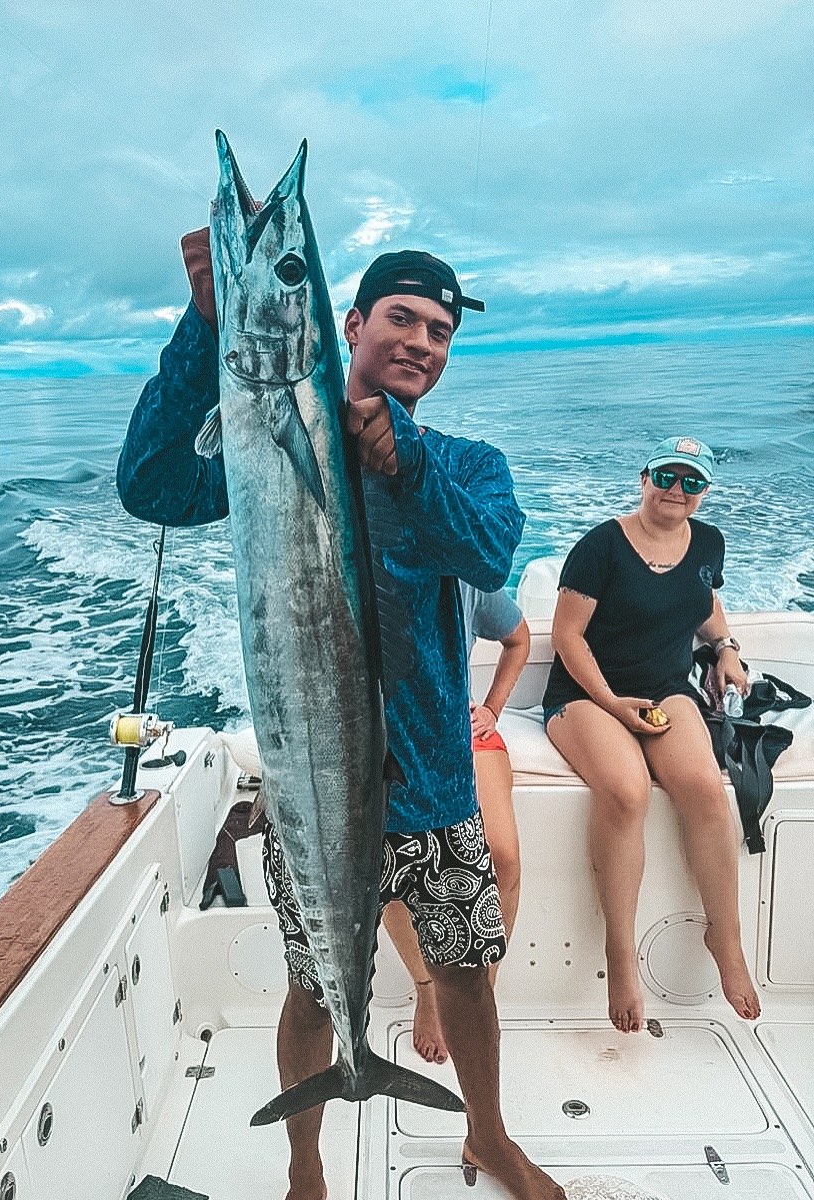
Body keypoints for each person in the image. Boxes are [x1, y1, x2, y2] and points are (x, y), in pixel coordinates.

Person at [118, 234, 563, 1200]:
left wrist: (405, 464)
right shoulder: (266, 451)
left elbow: (488, 553)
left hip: (436, 788)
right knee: (315, 989)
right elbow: (149, 484)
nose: (422, 342)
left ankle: (488, 1136)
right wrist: (203, 327)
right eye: (401, 318)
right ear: (349, 326)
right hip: (311, 790)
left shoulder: (466, 463)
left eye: (441, 331)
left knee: (467, 979)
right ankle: (305, 1163)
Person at [542, 436, 761, 1035]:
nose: (676, 490)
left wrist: (725, 648)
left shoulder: (708, 541)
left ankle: (727, 937)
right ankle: (621, 953)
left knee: (705, 790)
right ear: (644, 478)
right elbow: (566, 637)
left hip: (667, 690)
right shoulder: (600, 548)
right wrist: (613, 704)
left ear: (704, 492)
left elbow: (705, 600)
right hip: (587, 695)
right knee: (628, 791)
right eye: (667, 475)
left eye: (691, 482)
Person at [381, 586, 530, 1064]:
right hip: (384, 739)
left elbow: (519, 638)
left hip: (459, 732)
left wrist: (491, 708)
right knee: (392, 867)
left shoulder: (465, 568)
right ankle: (427, 986)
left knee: (502, 856)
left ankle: (480, 991)